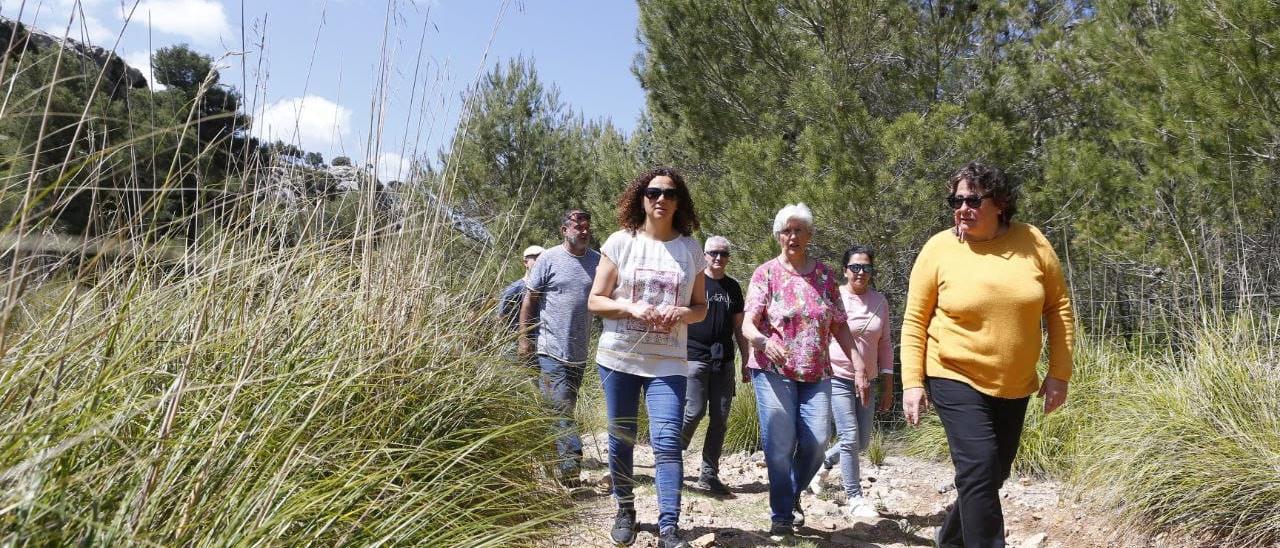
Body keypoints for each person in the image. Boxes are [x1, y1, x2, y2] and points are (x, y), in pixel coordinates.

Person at [900, 161, 1074, 548]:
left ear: (1000, 203)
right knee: (978, 467)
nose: (962, 207)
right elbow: (914, 320)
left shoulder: (1032, 241)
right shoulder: (939, 249)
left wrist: (1060, 372)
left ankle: (949, 540)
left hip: (1014, 383)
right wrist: (913, 382)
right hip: (953, 372)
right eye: (956, 199)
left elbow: (1058, 307)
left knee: (991, 475)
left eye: (973, 199)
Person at [588, 167, 707, 548]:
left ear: (679, 201)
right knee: (620, 438)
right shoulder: (621, 242)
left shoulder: (691, 250)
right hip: (619, 358)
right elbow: (595, 300)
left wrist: (684, 314)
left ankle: (669, 528)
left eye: (669, 193)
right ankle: (625, 509)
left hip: (668, 362)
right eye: (653, 192)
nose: (660, 199)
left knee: (667, 441)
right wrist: (631, 309)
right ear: (641, 197)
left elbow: (701, 307)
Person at [740, 203, 870, 537]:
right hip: (772, 371)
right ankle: (781, 514)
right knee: (780, 444)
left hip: (816, 373)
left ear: (809, 235)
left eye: (799, 230)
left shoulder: (825, 276)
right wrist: (763, 342)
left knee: (816, 441)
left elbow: (840, 326)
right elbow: (748, 326)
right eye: (787, 230)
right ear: (778, 236)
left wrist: (858, 366)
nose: (792, 236)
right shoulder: (765, 274)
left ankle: (791, 491)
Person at [809, 244, 896, 519]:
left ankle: (822, 465)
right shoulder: (835, 297)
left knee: (861, 443)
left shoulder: (880, 302)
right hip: (837, 376)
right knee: (849, 435)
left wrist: (888, 384)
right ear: (845, 270)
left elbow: (885, 344)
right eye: (855, 267)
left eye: (866, 267)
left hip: (868, 380)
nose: (861, 272)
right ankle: (855, 497)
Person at [519, 210, 599, 486]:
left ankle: (553, 465)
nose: (584, 231)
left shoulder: (597, 262)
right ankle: (571, 468)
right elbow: (529, 300)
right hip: (550, 350)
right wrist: (524, 337)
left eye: (587, 227)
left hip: (579, 353)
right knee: (560, 409)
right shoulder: (549, 259)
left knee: (562, 410)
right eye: (578, 227)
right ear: (565, 230)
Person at [679, 235, 749, 496]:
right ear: (704, 255)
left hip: (724, 361)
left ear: (728, 257)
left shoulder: (732, 287)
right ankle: (671, 460)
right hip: (694, 358)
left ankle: (709, 474)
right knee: (693, 412)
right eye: (713, 253)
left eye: (723, 254)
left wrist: (746, 359)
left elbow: (739, 327)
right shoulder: (694, 282)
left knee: (720, 418)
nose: (718, 258)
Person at [499, 245, 545, 370]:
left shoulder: (545, 289)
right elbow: (503, 317)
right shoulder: (514, 289)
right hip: (517, 346)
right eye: (536, 259)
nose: (540, 262)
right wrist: (520, 339)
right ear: (525, 262)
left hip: (542, 347)